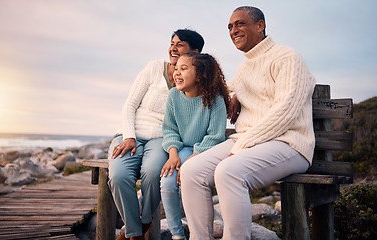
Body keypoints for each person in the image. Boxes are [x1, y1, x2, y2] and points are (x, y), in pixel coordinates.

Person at [180, 6, 316, 239]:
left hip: (289, 143)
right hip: (249, 142)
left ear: (260, 26)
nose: (233, 30)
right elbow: (223, 91)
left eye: (240, 24)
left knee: (229, 172)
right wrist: (232, 94)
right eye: (230, 27)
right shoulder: (245, 67)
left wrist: (244, 145)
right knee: (191, 170)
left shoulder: (287, 57)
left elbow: (286, 111)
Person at [108, 29, 204, 240]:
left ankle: (142, 223)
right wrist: (128, 136)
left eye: (180, 44)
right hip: (130, 134)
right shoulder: (154, 68)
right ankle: (135, 233)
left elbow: (219, 89)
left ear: (195, 52)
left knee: (153, 174)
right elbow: (130, 105)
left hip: (162, 139)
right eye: (172, 43)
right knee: (118, 176)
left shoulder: (195, 81)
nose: (173, 48)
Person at [160, 52, 230, 239]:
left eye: (184, 69)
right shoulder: (174, 95)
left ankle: (197, 233)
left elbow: (215, 136)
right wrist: (173, 154)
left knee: (188, 179)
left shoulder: (215, 99)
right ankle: (177, 234)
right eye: (176, 69)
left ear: (200, 75)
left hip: (207, 151)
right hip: (183, 149)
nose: (177, 73)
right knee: (167, 182)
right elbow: (169, 129)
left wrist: (191, 160)